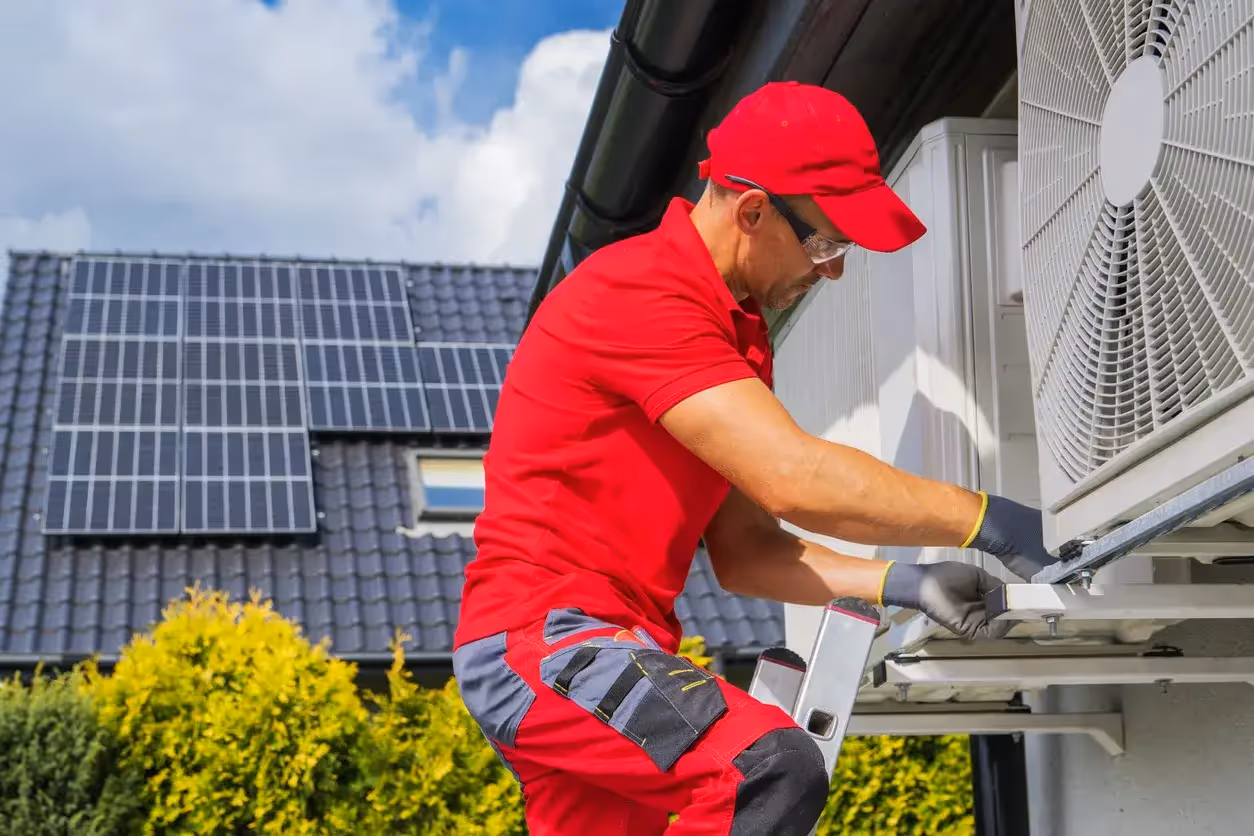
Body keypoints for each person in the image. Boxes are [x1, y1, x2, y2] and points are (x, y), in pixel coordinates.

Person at [452, 81, 1057, 835]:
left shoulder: (732, 334)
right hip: (550, 642)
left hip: (609, 647)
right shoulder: (643, 293)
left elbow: (744, 551)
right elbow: (792, 476)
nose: (832, 270)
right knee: (765, 767)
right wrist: (988, 519)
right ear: (752, 210)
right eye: (826, 243)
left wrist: (906, 581)